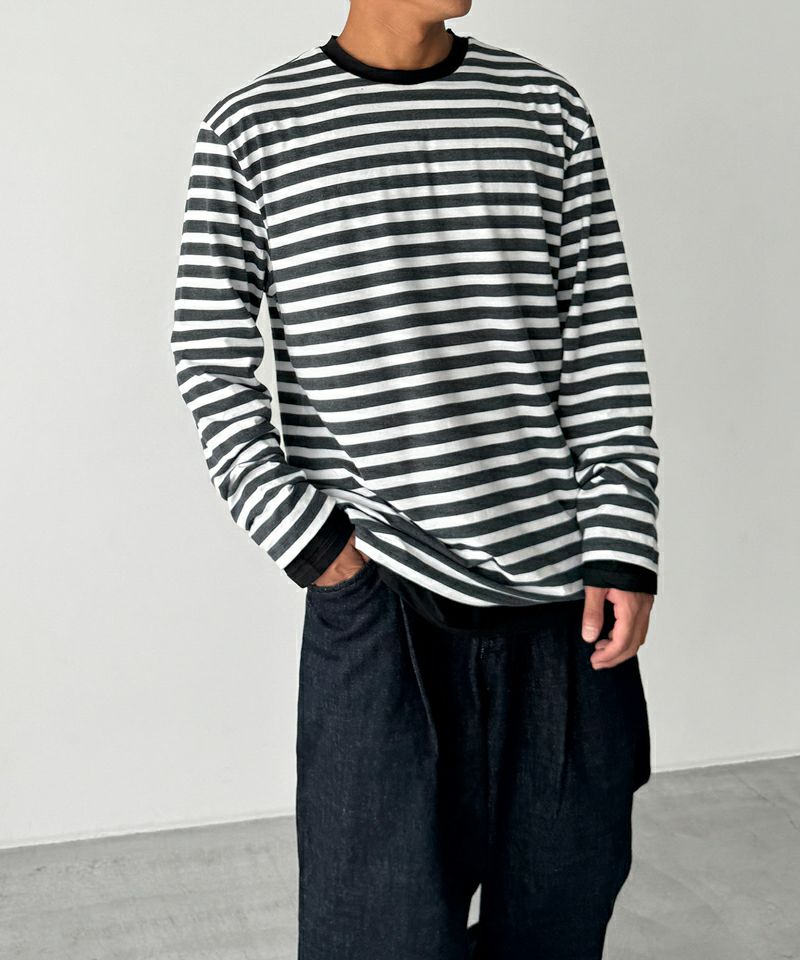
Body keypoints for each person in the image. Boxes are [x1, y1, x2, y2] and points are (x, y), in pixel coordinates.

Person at [171, 2, 659, 957]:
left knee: (559, 923)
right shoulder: (255, 127)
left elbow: (601, 339)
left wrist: (622, 540)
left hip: (563, 607)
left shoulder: (544, 108)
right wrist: (318, 548)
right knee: (377, 935)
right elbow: (210, 358)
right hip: (382, 607)